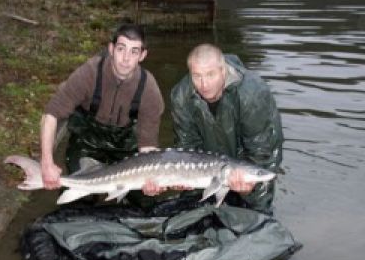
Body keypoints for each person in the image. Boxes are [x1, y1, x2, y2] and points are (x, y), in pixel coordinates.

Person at [150, 43, 283, 215]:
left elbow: (262, 153)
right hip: (209, 165)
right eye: (197, 76)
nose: (204, 84)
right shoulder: (181, 95)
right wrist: (180, 179)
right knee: (193, 209)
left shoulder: (253, 94)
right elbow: (187, 147)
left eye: (210, 74)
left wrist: (251, 191)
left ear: (223, 70)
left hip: (246, 157)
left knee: (257, 215)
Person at [40, 23, 164, 191]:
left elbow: (147, 145)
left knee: (143, 201)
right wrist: (47, 162)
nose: (126, 58)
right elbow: (51, 113)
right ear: (111, 49)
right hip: (87, 145)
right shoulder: (90, 73)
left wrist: (151, 180)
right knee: (83, 195)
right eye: (121, 49)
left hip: (125, 151)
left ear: (142, 55)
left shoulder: (149, 89)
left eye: (134, 51)